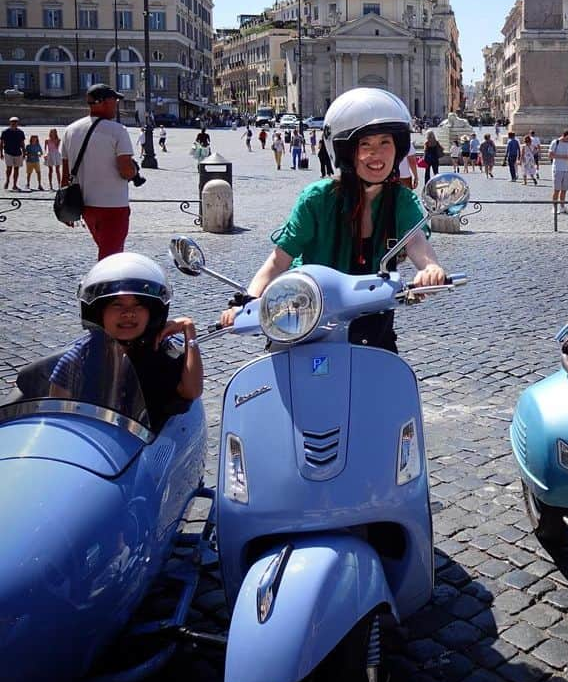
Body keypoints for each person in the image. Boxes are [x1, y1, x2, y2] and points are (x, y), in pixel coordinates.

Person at [218, 87, 447, 351]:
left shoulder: (401, 201)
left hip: (372, 328)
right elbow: (279, 260)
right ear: (346, 151)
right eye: (365, 144)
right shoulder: (317, 199)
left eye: (385, 142)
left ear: (397, 148)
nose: (377, 154)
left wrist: (430, 269)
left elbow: (417, 241)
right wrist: (247, 301)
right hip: (305, 321)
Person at [50, 252, 202, 431]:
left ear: (152, 313)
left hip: (145, 449)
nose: (128, 313)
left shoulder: (162, 351)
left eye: (138, 305)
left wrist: (189, 331)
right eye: (117, 304)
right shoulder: (79, 357)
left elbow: (192, 391)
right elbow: (57, 419)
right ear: (99, 313)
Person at [61, 85, 140, 260]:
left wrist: (66, 207)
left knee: (106, 251)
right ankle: (104, 285)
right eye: (115, 100)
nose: (117, 104)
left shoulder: (70, 130)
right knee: (111, 258)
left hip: (86, 205)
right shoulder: (117, 130)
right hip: (113, 205)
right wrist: (135, 170)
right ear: (104, 102)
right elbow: (126, 171)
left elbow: (65, 173)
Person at [549, 129, 568, 212]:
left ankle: (562, 206)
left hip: (566, 169)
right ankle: (554, 207)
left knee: (564, 190)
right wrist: (563, 157)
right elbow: (550, 155)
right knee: (556, 189)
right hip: (557, 168)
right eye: (567, 138)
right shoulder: (555, 142)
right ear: (564, 135)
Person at [3, 116, 26, 190]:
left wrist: (24, 152)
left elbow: (22, 143)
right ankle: (7, 181)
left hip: (18, 152)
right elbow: (1, 143)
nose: (14, 123)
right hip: (8, 152)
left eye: (15, 122)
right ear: (10, 123)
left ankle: (14, 184)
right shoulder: (5, 132)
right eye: (13, 122)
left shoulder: (20, 132)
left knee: (16, 169)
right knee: (9, 168)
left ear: (17, 123)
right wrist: (1, 153)